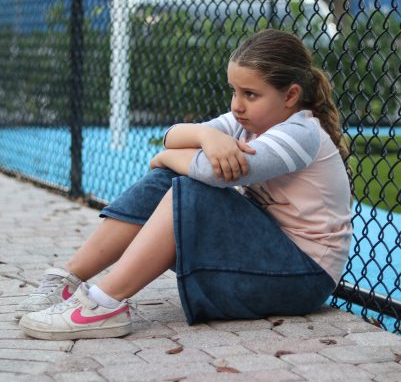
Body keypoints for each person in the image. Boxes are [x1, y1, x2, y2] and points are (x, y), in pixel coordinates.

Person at [16, 29, 353, 340]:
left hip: (303, 276)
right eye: (234, 91)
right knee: (172, 180)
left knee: (188, 186)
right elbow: (173, 135)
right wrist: (206, 134)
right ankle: (68, 278)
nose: (237, 105)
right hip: (264, 253)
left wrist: (166, 157)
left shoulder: (301, 134)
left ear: (291, 95)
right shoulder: (247, 121)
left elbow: (211, 173)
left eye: (250, 94)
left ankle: (104, 304)